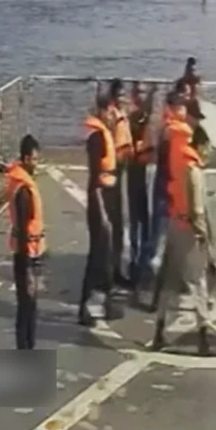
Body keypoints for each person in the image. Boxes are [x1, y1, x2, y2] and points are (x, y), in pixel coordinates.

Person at [150, 124, 214, 355]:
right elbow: (197, 209)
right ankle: (203, 338)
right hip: (189, 231)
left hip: (174, 225)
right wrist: (204, 236)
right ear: (201, 146)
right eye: (208, 147)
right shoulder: (194, 171)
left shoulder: (180, 166)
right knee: (198, 283)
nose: (209, 152)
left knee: (169, 281)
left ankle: (158, 332)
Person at [78, 92, 122, 326]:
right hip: (99, 201)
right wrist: (103, 212)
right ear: (104, 111)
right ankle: (84, 308)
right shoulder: (96, 138)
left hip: (107, 196)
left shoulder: (105, 133)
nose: (114, 115)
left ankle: (105, 303)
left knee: (106, 257)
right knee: (97, 256)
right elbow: (95, 178)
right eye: (111, 111)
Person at [147, 95, 194, 313]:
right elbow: (171, 165)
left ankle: (160, 293)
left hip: (170, 192)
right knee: (162, 244)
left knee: (169, 246)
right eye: (180, 108)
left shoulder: (172, 131)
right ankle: (154, 291)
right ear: (173, 109)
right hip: (168, 194)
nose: (183, 112)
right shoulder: (170, 132)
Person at [6, 134, 45, 350]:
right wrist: (28, 271)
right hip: (26, 256)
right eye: (35, 159)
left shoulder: (21, 183)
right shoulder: (23, 191)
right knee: (26, 308)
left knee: (30, 307)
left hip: (31, 252)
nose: (37, 164)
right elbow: (22, 231)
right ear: (27, 158)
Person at [127, 84, 157, 303]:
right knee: (137, 219)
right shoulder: (132, 116)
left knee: (146, 220)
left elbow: (147, 113)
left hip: (146, 172)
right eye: (138, 92)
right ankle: (136, 264)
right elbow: (141, 114)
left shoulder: (145, 117)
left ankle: (143, 262)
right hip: (135, 172)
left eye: (143, 92)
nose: (141, 96)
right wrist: (152, 96)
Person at [107, 79, 134, 289]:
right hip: (113, 172)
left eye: (124, 95)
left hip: (123, 169)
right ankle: (111, 270)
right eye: (119, 95)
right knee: (113, 222)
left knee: (120, 223)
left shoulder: (123, 114)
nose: (122, 99)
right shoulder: (111, 117)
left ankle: (117, 269)